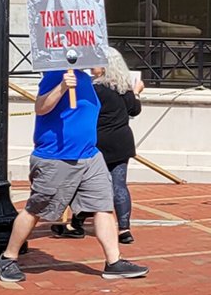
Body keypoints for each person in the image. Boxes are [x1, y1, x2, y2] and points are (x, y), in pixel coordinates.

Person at [0, 65, 149, 282]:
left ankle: (114, 262)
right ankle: (7, 258)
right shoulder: (56, 75)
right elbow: (41, 107)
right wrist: (63, 86)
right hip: (56, 157)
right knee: (36, 208)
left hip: (90, 156)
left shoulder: (87, 80)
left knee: (103, 207)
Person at [51, 47, 144, 244]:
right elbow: (134, 110)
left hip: (98, 141)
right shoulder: (123, 89)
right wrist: (136, 92)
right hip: (121, 141)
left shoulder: (94, 90)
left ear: (105, 66)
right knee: (119, 184)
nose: (92, 66)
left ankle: (76, 222)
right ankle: (124, 229)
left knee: (84, 183)